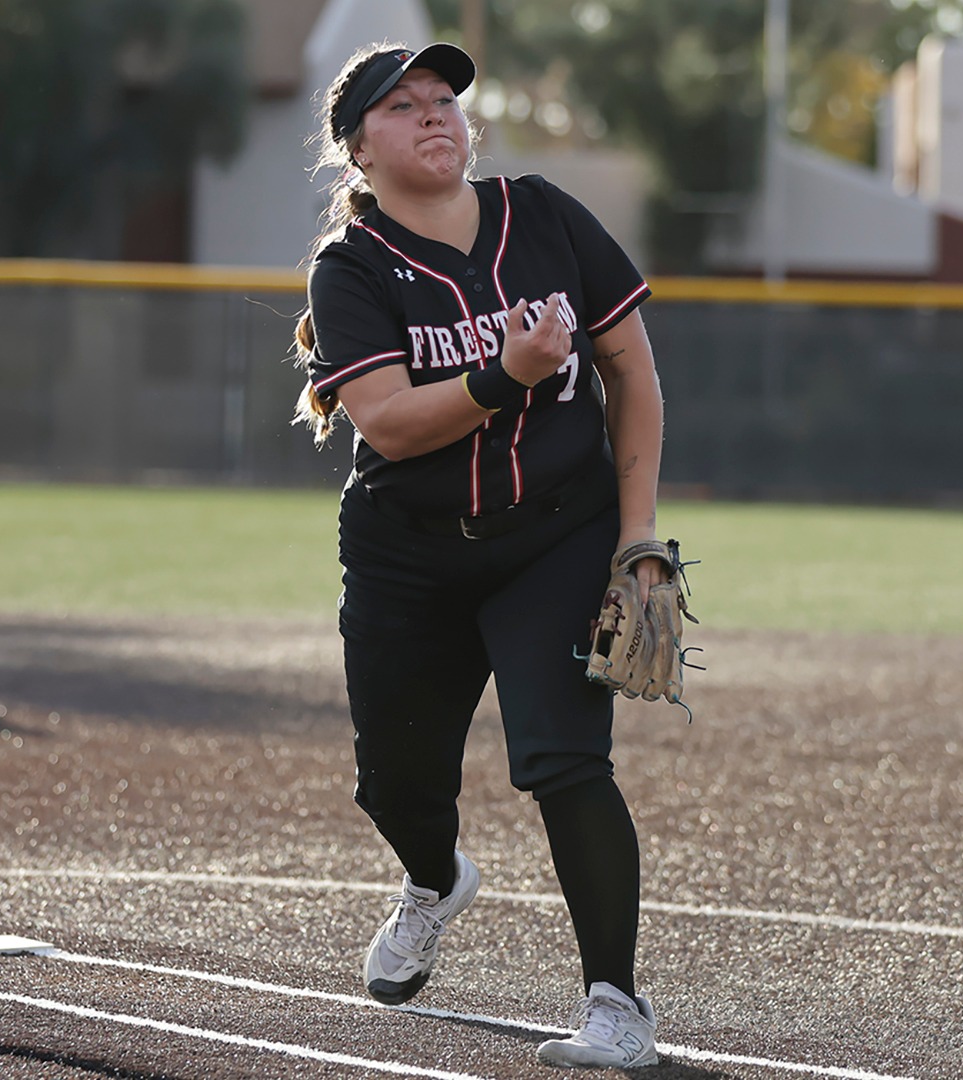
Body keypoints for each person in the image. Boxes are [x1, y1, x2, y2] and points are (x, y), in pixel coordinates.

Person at [289, 41, 670, 1069]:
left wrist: (636, 535)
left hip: (555, 534)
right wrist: (506, 374)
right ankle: (434, 878)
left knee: (564, 759)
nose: (433, 115)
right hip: (408, 553)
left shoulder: (542, 215)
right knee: (395, 784)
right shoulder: (351, 270)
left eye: (443, 99)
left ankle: (616, 1009)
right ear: (357, 152)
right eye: (401, 106)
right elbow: (391, 425)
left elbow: (632, 372)